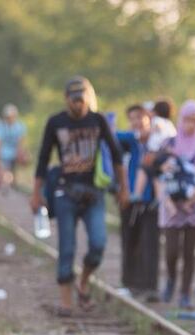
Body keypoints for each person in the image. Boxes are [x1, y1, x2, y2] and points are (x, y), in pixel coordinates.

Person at [30, 76, 128, 316]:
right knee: (67, 247)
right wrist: (36, 192)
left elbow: (116, 157)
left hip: (93, 193)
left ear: (88, 99)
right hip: (65, 192)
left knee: (98, 243)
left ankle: (83, 282)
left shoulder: (98, 120)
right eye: (74, 101)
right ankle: (66, 302)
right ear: (66, 100)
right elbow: (43, 159)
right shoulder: (56, 122)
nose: (78, 105)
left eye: (81, 100)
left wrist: (123, 188)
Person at [155, 100, 195, 309]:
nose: (190, 124)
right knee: (171, 250)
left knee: (190, 252)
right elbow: (156, 169)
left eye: (194, 120)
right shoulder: (168, 143)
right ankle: (170, 279)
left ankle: (185, 292)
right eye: (186, 119)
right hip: (171, 203)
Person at [116, 104, 160, 301]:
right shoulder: (129, 142)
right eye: (132, 118)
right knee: (129, 241)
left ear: (149, 118)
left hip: (151, 200)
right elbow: (114, 136)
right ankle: (129, 283)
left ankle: (150, 286)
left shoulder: (158, 141)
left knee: (150, 243)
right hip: (129, 198)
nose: (136, 122)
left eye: (140, 118)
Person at [0, 104, 27, 186]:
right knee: (6, 170)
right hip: (5, 152)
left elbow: (21, 141)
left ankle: (11, 185)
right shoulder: (2, 126)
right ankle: (7, 184)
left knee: (13, 170)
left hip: (15, 151)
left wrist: (20, 151)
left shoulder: (19, 126)